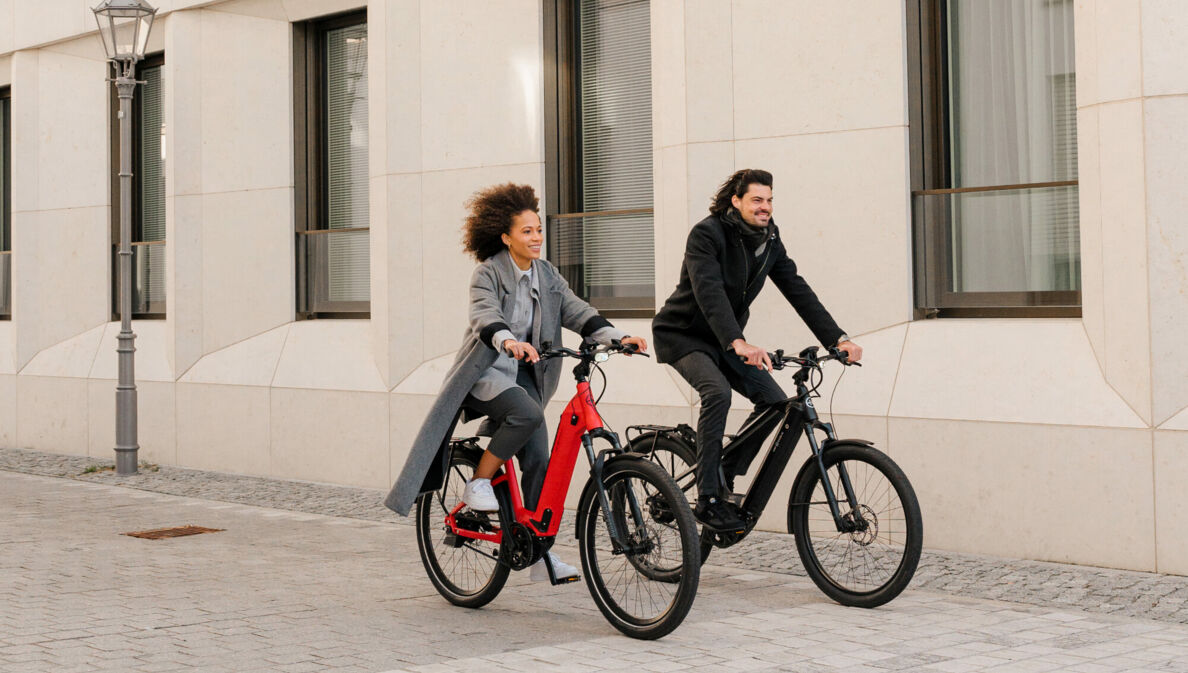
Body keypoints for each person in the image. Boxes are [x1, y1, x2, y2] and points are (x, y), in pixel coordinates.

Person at [383, 183, 647, 581]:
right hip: (489, 370)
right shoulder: (487, 273)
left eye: (538, 229)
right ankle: (479, 481)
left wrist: (616, 337)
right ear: (506, 237)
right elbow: (484, 315)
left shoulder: (547, 273)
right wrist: (508, 341)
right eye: (526, 231)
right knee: (525, 415)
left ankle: (539, 554)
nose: (536, 236)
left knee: (539, 458)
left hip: (529, 376)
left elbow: (576, 311)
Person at [651, 169, 861, 532]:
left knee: (777, 403)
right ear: (736, 200)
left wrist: (837, 339)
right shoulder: (707, 234)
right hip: (684, 335)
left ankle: (723, 471)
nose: (765, 207)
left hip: (726, 339)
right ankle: (709, 497)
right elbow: (709, 292)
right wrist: (738, 342)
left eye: (769, 200)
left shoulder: (769, 239)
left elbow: (797, 289)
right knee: (716, 392)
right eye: (757, 200)